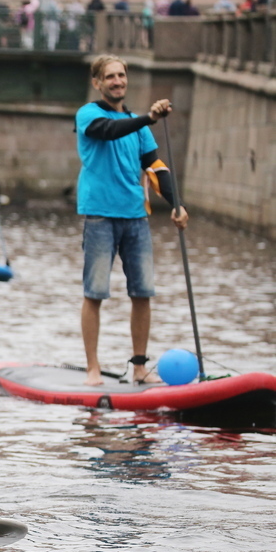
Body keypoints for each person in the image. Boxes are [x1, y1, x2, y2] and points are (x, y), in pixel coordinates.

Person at [75, 54, 189, 387]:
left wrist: (177, 204)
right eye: (110, 77)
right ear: (98, 83)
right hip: (99, 216)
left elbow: (155, 166)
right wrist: (147, 118)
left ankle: (139, 367)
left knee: (142, 293)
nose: (117, 81)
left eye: (121, 75)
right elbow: (108, 131)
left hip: (136, 218)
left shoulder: (137, 124)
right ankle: (93, 368)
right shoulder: (88, 115)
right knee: (94, 293)